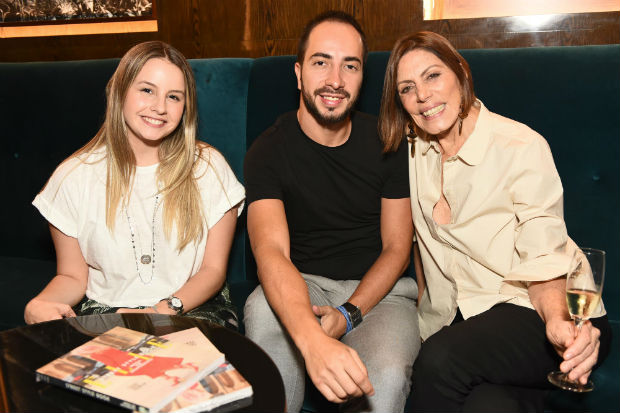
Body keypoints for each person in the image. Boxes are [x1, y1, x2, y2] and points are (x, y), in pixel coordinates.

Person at [378, 31, 612, 412]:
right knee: (489, 404)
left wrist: (556, 322)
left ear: (460, 73)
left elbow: (543, 259)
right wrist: (427, 304)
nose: (422, 96)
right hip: (471, 323)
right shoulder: (413, 148)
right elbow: (419, 244)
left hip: (544, 310)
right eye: (407, 88)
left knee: (440, 359)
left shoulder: (519, 146)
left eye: (433, 76)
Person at [243, 10, 420, 413]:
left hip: (381, 295)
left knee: (387, 378)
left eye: (350, 66)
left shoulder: (388, 143)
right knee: (260, 311)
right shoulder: (268, 151)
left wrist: (349, 313)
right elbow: (270, 251)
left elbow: (397, 247)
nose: (335, 80)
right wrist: (311, 338)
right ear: (299, 73)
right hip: (301, 284)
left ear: (362, 77)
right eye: (321, 62)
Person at [24, 41, 245, 329]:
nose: (160, 107)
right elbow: (72, 277)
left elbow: (212, 270)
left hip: (192, 308)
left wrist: (161, 310)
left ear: (185, 107)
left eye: (174, 97)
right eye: (147, 90)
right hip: (106, 313)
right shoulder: (73, 176)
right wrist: (38, 304)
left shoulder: (208, 167)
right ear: (120, 91)